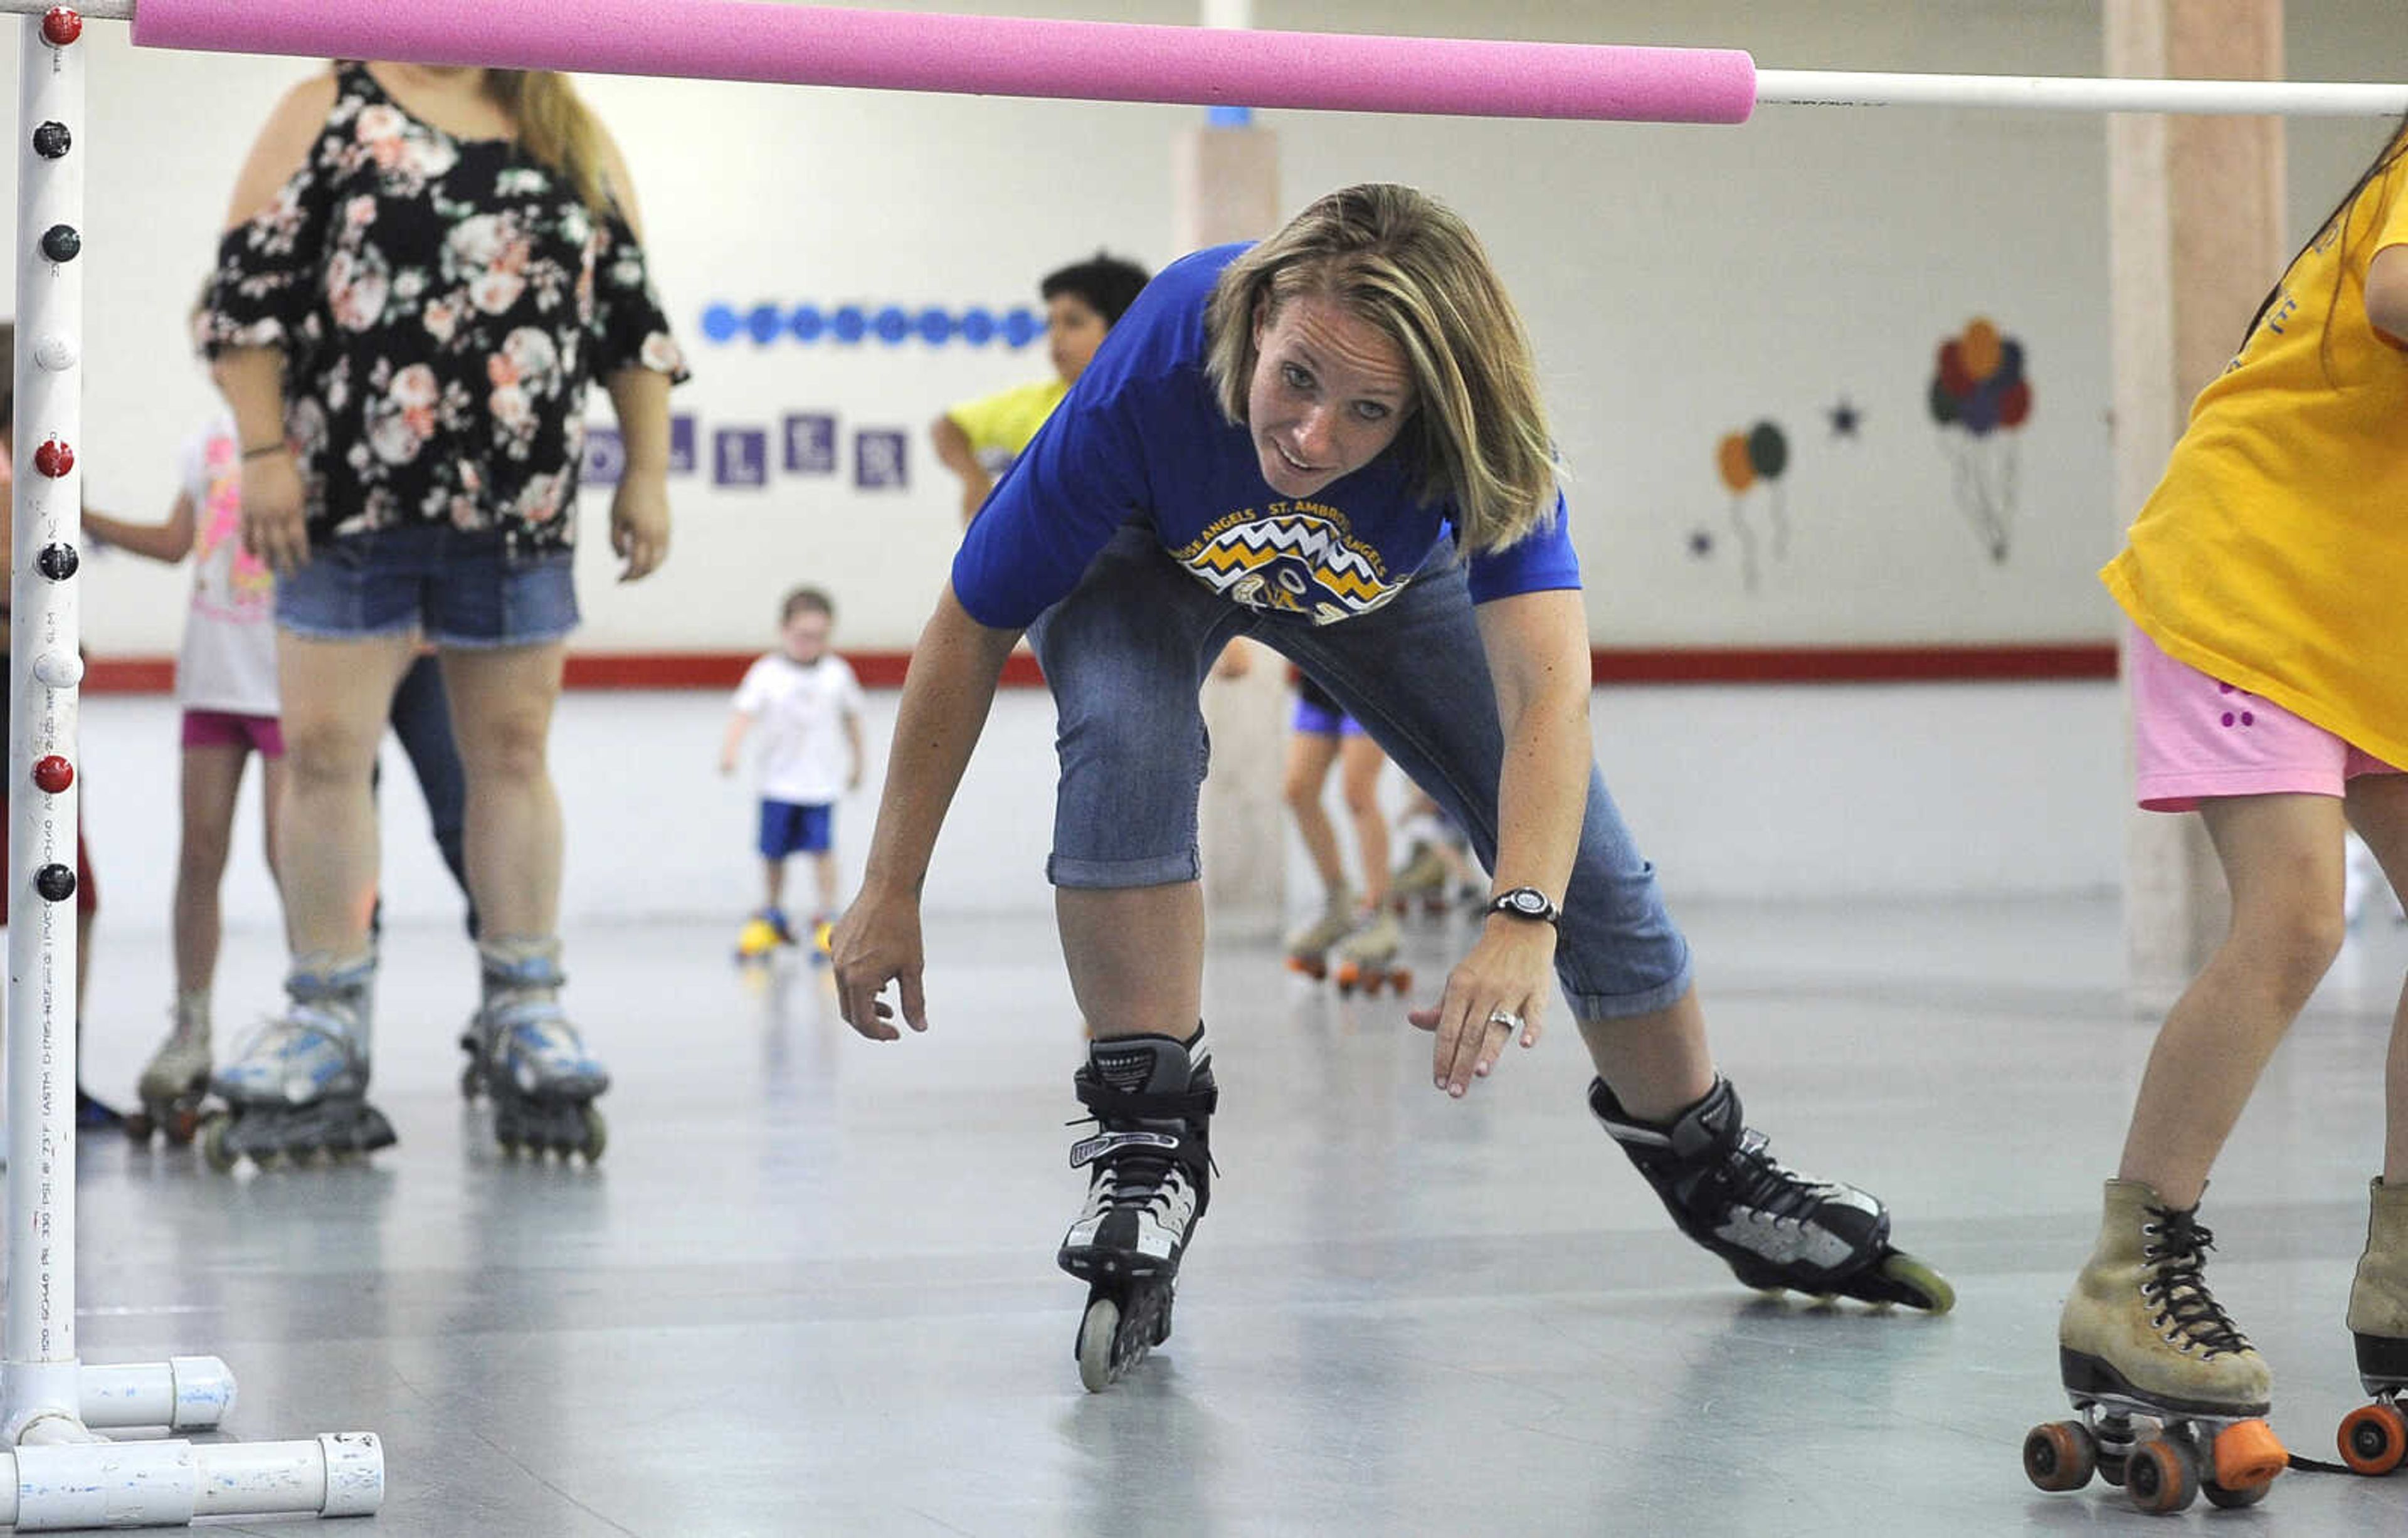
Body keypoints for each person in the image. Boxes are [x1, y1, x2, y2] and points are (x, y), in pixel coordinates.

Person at [832, 184, 1950, 1386]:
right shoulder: (1154, 360)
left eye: (1370, 411)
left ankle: (1710, 1163)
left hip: (1384, 583)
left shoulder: (1491, 439)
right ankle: (1147, 1138)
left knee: (1588, 864)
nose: (1312, 437)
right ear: (1257, 318)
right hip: (1143, 553)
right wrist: (891, 884)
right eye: (1299, 378)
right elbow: (967, 627)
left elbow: (1548, 700)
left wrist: (1524, 912)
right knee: (1125, 729)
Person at [198, 59, 685, 1166]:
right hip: (342, 496)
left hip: (518, 500)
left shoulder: (564, 119)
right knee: (325, 749)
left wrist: (647, 472)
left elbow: (632, 315)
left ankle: (524, 1001)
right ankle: (324, 1014)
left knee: (511, 752)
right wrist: (265, 452)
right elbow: (246, 293)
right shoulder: (330, 103)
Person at [2031, 115, 2408, 1496]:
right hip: (2247, 587)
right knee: (2299, 915)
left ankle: (2405, 1276)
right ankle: (2135, 1276)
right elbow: (2397, 297)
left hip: (2367, 624)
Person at [82, 401, 284, 1140]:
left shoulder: (321, 425)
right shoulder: (206, 437)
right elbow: (177, 542)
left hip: (292, 675)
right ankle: (190, 1023)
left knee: (287, 852)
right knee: (200, 853)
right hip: (214, 674)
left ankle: (316, 1019)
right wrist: (80, 514)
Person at [0, 322, 120, 1129]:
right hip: (15, 712)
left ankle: (56, 1082)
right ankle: (53, 1087)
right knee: (59, 892)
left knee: (68, 892)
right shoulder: (18, 479)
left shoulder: (33, 476)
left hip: (31, 710)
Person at [930, 253, 1150, 525]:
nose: (1055, 337)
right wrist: (974, 480)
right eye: (1051, 324)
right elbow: (948, 426)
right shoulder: (1040, 404)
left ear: (1123, 328)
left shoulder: (1152, 408)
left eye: (1073, 322)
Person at [719, 586, 865, 961]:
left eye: (818, 637)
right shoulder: (766, 674)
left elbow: (851, 720)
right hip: (778, 784)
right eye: (802, 636)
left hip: (819, 785)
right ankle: (770, 913)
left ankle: (829, 916)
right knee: (773, 852)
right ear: (784, 630)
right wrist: (731, 750)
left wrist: (858, 761)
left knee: (822, 850)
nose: (809, 644)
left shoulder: (836, 674)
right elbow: (744, 714)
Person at [1279, 672, 1404, 992]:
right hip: (1316, 676)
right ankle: (1338, 906)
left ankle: (1380, 912)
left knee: (1358, 793)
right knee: (1298, 791)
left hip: (1366, 672)